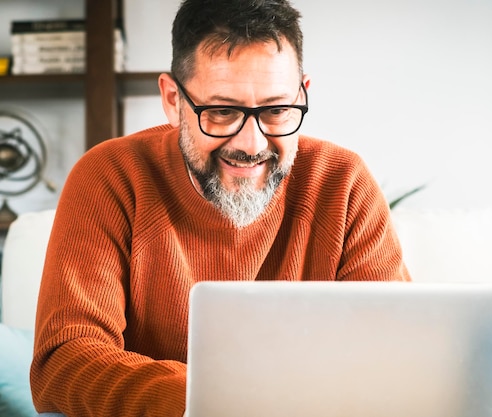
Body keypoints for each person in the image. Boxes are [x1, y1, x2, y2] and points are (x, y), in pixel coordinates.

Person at [30, 0, 411, 416]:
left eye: (277, 110)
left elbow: (395, 352)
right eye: (223, 112)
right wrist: (216, 402)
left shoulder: (344, 182)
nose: (252, 145)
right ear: (173, 100)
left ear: (302, 93)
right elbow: (64, 359)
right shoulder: (110, 176)